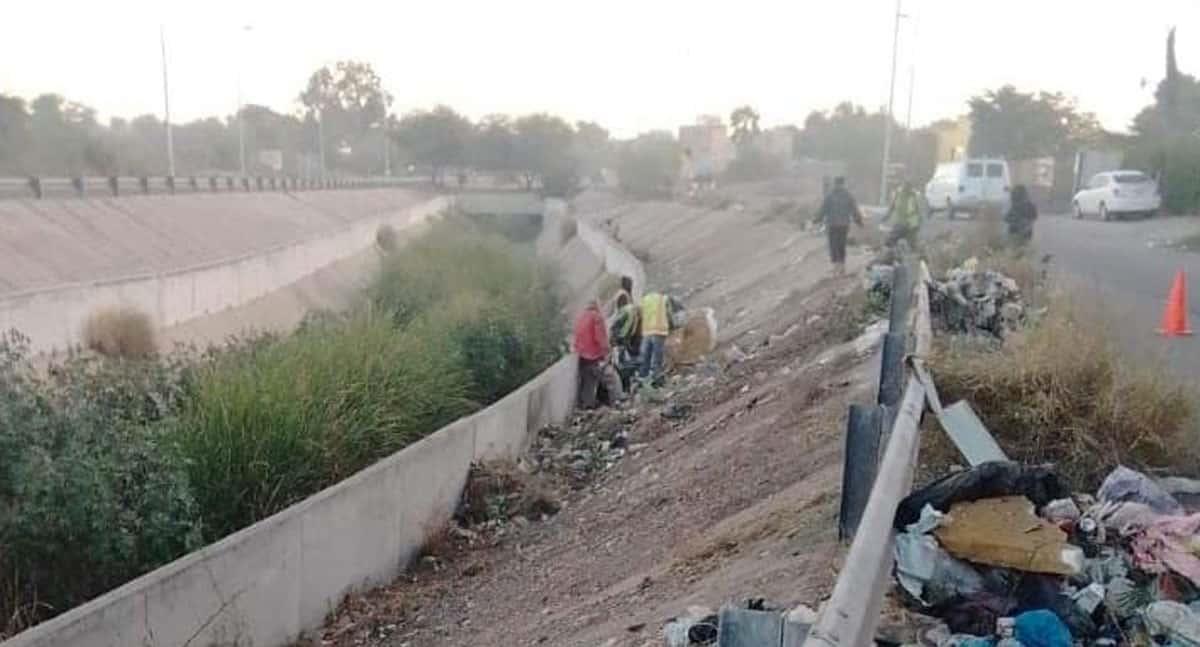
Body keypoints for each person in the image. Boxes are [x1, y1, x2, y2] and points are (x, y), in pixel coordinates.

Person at [573, 300, 623, 408]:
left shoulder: (580, 318)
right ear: (596, 307)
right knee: (612, 379)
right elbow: (601, 338)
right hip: (595, 357)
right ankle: (618, 401)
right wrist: (607, 352)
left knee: (589, 384)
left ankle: (587, 405)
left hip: (582, 358)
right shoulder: (596, 317)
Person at [815, 177, 865, 276]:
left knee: (833, 244)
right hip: (843, 225)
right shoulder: (848, 195)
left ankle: (836, 267)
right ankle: (841, 266)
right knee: (841, 244)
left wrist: (817, 219)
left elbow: (823, 209)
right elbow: (854, 210)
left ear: (835, 183)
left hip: (832, 224)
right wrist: (859, 222)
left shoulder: (830, 195)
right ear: (843, 184)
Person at [638, 291, 675, 385]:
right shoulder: (662, 299)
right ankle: (657, 381)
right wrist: (672, 326)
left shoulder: (644, 300)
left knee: (645, 358)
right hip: (659, 331)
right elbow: (668, 314)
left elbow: (640, 316)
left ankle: (643, 381)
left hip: (646, 332)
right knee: (656, 359)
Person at [886, 180, 923, 254]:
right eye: (905, 186)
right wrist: (887, 216)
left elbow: (919, 211)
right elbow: (892, 206)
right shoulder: (898, 194)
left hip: (910, 225)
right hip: (901, 224)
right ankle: (893, 255)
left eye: (908, 187)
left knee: (913, 246)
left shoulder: (915, 195)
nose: (906, 188)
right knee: (890, 242)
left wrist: (919, 223)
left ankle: (918, 260)